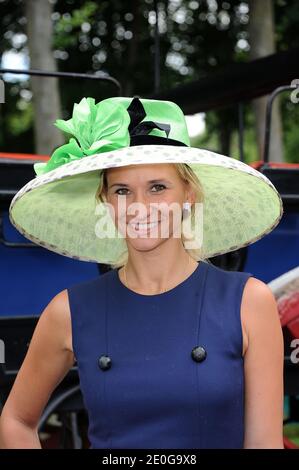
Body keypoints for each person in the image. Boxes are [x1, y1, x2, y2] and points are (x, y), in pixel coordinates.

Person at [0, 96, 284, 449]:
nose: (139, 208)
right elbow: (16, 420)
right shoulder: (69, 311)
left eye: (157, 187)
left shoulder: (247, 302)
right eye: (122, 191)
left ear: (189, 194)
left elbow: (264, 443)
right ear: (105, 200)